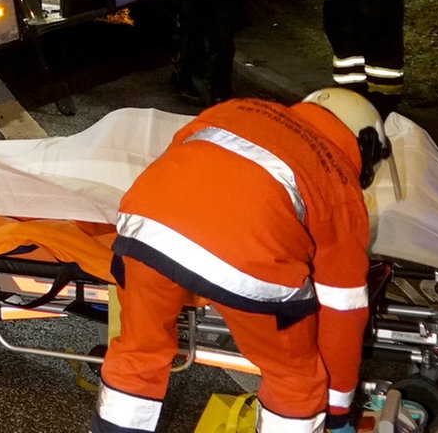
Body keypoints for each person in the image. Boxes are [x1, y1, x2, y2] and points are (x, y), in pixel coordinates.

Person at [91, 90, 392, 433]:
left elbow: (182, 160)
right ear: (364, 149)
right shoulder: (339, 181)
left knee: (138, 353)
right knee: (293, 378)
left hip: (143, 229)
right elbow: (342, 311)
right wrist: (337, 410)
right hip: (248, 259)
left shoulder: (238, 108)